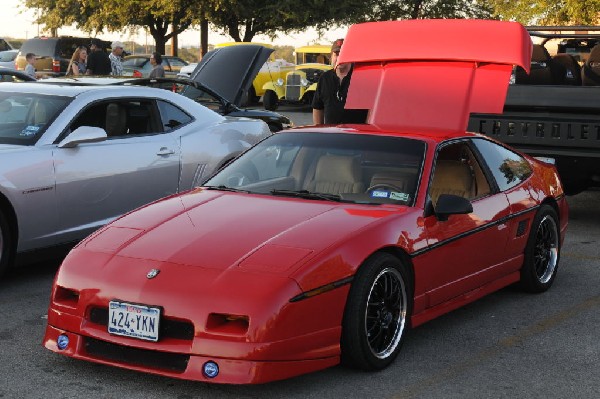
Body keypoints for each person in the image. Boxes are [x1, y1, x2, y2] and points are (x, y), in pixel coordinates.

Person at [312, 38, 367, 125]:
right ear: (331, 57)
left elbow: (371, 108)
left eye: (343, 54)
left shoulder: (362, 78)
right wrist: (319, 130)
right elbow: (317, 107)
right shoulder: (324, 78)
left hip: (356, 135)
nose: (339, 58)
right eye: (336, 54)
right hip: (332, 136)